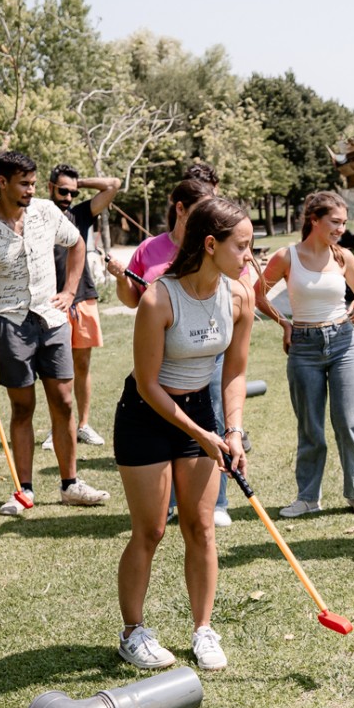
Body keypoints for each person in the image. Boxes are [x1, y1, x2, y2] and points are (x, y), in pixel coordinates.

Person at [112, 197, 255, 672]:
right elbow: (148, 384)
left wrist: (232, 430)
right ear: (210, 245)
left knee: (201, 526)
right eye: (242, 246)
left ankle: (203, 629)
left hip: (198, 410)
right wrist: (204, 433)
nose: (249, 257)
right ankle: (132, 632)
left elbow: (235, 372)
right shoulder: (158, 298)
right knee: (151, 529)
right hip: (146, 414)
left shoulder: (239, 296)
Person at [0, 150, 110, 515]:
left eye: (34, 183)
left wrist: (70, 291)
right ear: (2, 182)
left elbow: (77, 244)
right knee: (22, 407)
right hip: (9, 323)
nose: (31, 190)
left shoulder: (46, 212)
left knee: (65, 401)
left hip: (52, 320)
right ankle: (24, 490)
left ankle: (70, 485)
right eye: (24, 184)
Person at [111, 177, 234, 527]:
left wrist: (235, 431)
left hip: (207, 354)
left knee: (215, 422)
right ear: (180, 209)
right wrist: (122, 279)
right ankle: (165, 499)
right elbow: (134, 300)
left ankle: (216, 502)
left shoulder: (224, 266)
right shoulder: (151, 250)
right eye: (202, 209)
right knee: (151, 528)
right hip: (163, 359)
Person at [254, 191, 354, 517]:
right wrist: (284, 323)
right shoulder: (286, 257)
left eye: (343, 223)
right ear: (314, 220)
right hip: (304, 346)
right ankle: (308, 497)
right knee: (310, 428)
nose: (341, 229)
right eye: (335, 222)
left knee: (349, 422)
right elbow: (258, 294)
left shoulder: (343, 257)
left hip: (344, 342)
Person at [41, 165, 121, 452]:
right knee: (55, 369)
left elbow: (113, 184)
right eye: (63, 191)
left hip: (83, 296)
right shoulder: (37, 214)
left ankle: (83, 425)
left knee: (83, 366)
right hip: (52, 300)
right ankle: (58, 427)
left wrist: (79, 182)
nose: (68, 197)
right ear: (50, 187)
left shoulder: (80, 214)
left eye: (72, 193)